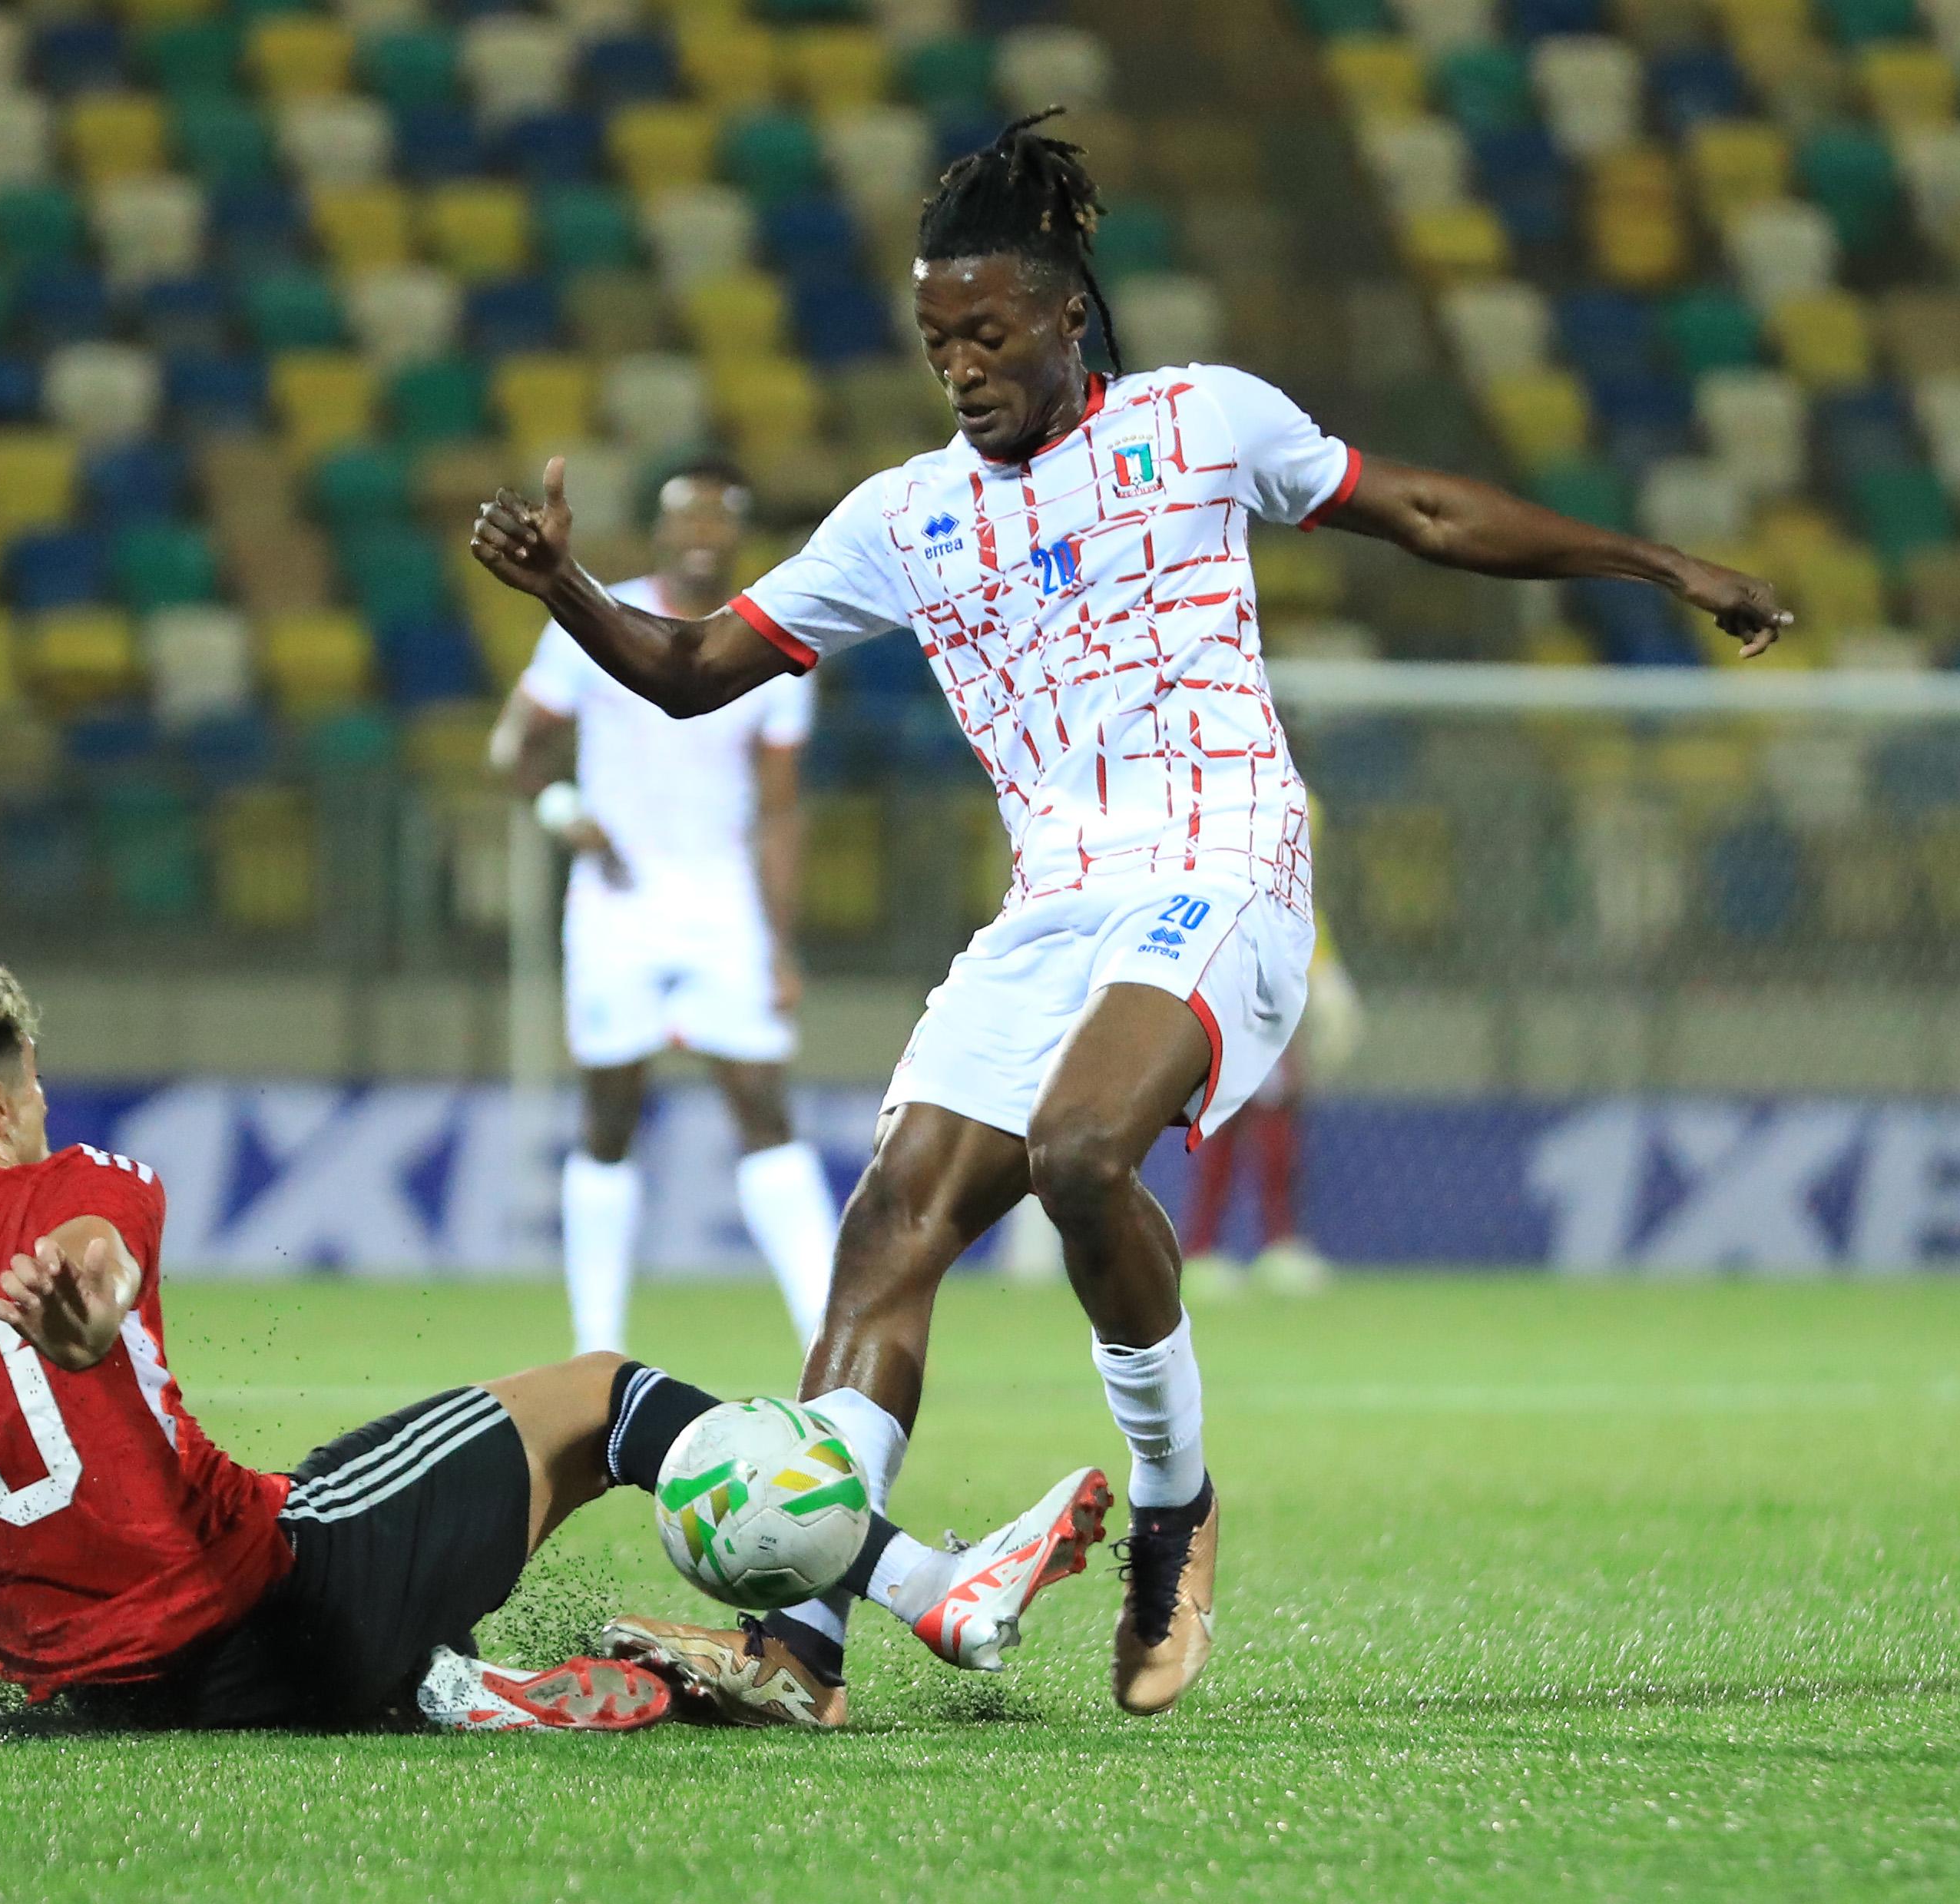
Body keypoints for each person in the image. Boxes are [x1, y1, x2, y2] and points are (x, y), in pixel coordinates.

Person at [472, 111, 1788, 1727]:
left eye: (986, 332)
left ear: (1062, 315)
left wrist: (1661, 565)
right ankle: (799, 1642)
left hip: (1223, 857)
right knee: (887, 1222)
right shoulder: (901, 516)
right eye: (933, 338)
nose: (956, 365)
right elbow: (686, 677)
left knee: (1076, 1150)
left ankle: (1170, 1501)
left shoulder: (1199, 421)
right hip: (1050, 900)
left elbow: (1428, 517)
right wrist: (569, 593)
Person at [0, 959, 1112, 1739]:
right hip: (267, 1604)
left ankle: (457, 1689)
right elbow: (92, 1256)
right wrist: (89, 1304)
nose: (41, 1086)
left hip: (107, 1703)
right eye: (27, 1064)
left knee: (312, 1487)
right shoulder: (82, 1186)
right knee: (602, 1391)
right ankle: (919, 1587)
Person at [488, 456, 840, 1357]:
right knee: (608, 1114)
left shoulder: (772, 637)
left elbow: (779, 806)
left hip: (722, 903)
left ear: (739, 535)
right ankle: (595, 1345)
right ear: (658, 531)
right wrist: (567, 815)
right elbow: (515, 745)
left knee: (762, 1104)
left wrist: (780, 942)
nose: (700, 537)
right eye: (685, 521)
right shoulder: (594, 619)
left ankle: (824, 1327)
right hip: (617, 905)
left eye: (718, 522)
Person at [1179, 817, 1364, 1300]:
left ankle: (1243, 1246)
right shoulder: (1280, 808)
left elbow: (1293, 902)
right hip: (1236, 971)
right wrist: (1323, 971)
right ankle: (1218, 1248)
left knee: (1257, 1110)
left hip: (1244, 971)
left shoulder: (1279, 803)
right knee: (1242, 1113)